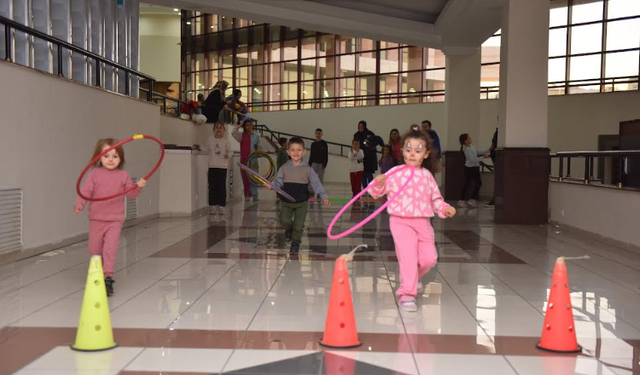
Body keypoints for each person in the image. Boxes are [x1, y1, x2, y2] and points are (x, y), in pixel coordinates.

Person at [368, 126, 456, 312]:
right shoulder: (396, 172)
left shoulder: (427, 177)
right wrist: (378, 182)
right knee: (408, 258)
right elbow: (376, 192)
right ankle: (407, 294)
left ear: (425, 154)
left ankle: (415, 279)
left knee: (429, 259)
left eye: (418, 150)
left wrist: (445, 208)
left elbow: (436, 199)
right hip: (400, 222)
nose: (412, 154)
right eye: (408, 149)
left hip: (423, 223)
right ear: (402, 151)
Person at [74, 138, 147, 297]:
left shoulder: (123, 175)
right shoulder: (94, 174)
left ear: (120, 158)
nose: (110, 160)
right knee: (94, 249)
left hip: (115, 220)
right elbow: (85, 191)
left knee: (110, 249)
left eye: (115, 156)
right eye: (106, 156)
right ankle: (97, 273)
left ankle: (108, 278)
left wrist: (138, 187)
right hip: (96, 219)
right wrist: (80, 204)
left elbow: (131, 194)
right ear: (98, 157)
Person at [268, 137, 329, 253]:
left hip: (301, 202)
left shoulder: (308, 169)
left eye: (299, 150)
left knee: (299, 225)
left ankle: (296, 243)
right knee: (285, 221)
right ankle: (289, 229)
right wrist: (271, 186)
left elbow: (316, 183)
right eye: (293, 150)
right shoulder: (284, 168)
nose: (296, 153)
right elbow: (278, 183)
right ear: (288, 152)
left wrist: (324, 196)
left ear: (304, 151)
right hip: (286, 202)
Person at [197, 122, 232, 215]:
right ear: (214, 130)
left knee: (221, 187)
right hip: (212, 166)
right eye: (217, 127)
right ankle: (212, 206)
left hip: (222, 167)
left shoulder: (226, 141)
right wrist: (199, 146)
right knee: (212, 186)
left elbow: (231, 151)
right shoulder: (210, 139)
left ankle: (221, 206)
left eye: (221, 128)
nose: (219, 129)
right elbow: (206, 149)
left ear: (223, 130)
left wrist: (228, 155)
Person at [458, 133, 492, 208]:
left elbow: (478, 153)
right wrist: (483, 157)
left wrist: (488, 150)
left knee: (478, 183)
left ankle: (472, 199)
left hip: (475, 167)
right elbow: (472, 159)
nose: (470, 139)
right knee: (468, 184)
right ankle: (462, 200)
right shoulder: (466, 149)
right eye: (468, 138)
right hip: (469, 168)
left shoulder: (472, 146)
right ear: (465, 141)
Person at [232, 119, 261, 201]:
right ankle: (247, 194)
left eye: (250, 125)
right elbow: (233, 132)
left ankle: (255, 194)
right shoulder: (241, 135)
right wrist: (240, 124)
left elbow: (259, 146)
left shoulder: (256, 135)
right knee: (245, 177)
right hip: (244, 160)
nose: (249, 127)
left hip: (254, 159)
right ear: (245, 126)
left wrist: (259, 152)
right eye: (247, 125)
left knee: (254, 177)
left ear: (253, 126)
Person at [353, 121, 383, 191]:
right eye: (359, 126)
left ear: (364, 126)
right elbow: (355, 144)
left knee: (368, 173)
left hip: (369, 157)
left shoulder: (370, 134)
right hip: (360, 157)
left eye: (361, 126)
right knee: (362, 173)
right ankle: (365, 189)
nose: (360, 128)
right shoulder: (356, 134)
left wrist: (368, 145)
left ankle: (372, 188)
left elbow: (374, 143)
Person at [308, 128, 328, 199]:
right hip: (314, 163)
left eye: (319, 133)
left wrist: (325, 163)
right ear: (315, 134)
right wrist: (309, 163)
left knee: (320, 178)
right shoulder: (313, 144)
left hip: (321, 163)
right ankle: (311, 191)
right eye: (317, 133)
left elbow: (326, 154)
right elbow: (312, 154)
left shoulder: (324, 143)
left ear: (321, 134)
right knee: (312, 177)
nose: (318, 134)